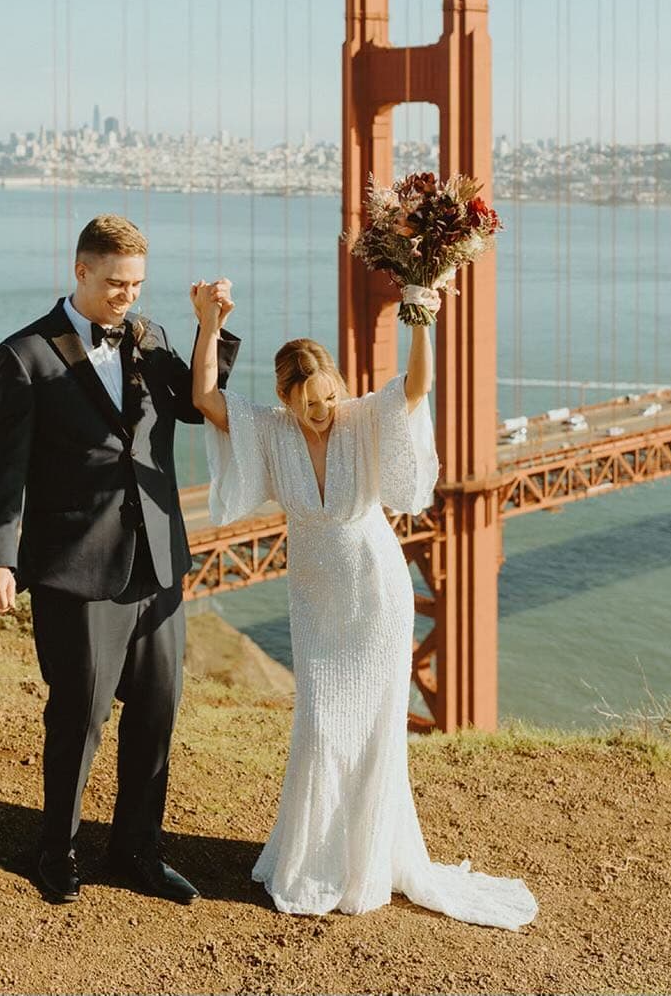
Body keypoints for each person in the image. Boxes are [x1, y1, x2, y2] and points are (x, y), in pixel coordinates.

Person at [190, 278, 537, 927]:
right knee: (320, 725)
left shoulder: (359, 420)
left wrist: (420, 320)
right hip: (316, 596)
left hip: (377, 590)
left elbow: (414, 388)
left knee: (376, 732)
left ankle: (367, 864)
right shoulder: (268, 431)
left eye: (329, 396)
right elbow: (205, 397)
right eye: (309, 401)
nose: (322, 410)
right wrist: (208, 322)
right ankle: (315, 861)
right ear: (285, 399)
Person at [0, 215, 238, 907]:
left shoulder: (152, 337)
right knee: (80, 715)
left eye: (138, 284)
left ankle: (137, 848)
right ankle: (54, 848)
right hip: (76, 565)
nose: (128, 296)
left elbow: (198, 404)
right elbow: (3, 469)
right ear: (80, 271)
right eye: (117, 283)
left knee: (158, 708)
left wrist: (209, 323)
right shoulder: (24, 354)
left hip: (157, 558)